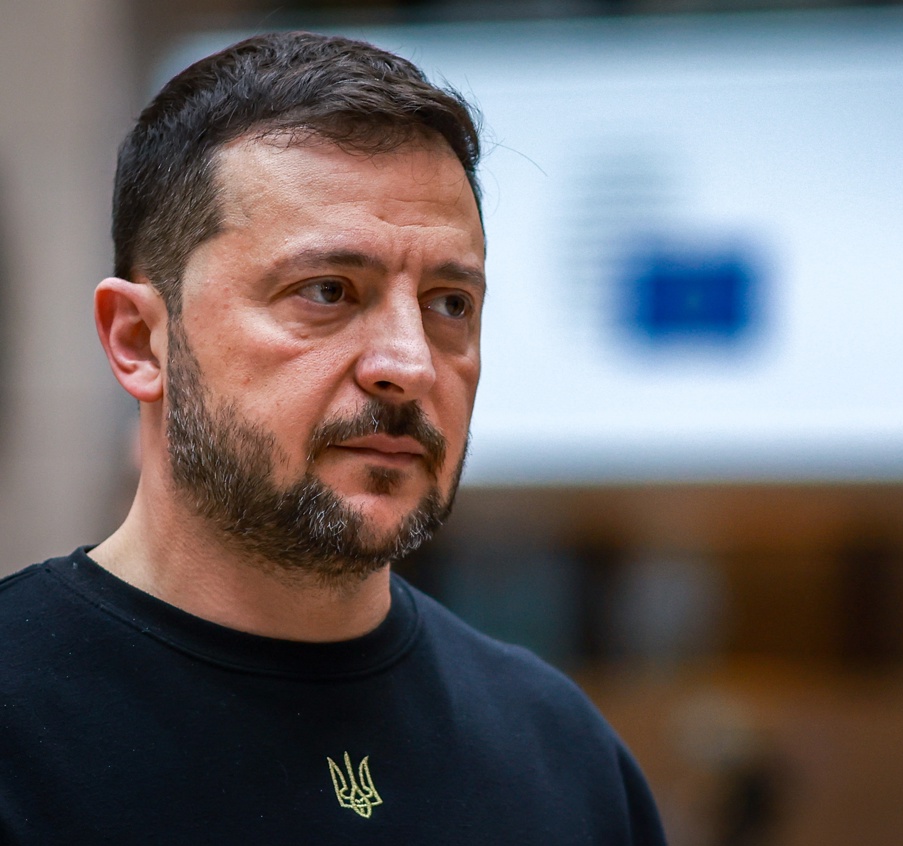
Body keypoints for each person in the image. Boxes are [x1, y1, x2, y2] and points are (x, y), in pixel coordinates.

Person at [0, 31, 665, 843]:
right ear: (140, 341)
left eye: (450, 303)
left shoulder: (561, 754)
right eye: (327, 291)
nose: (409, 364)